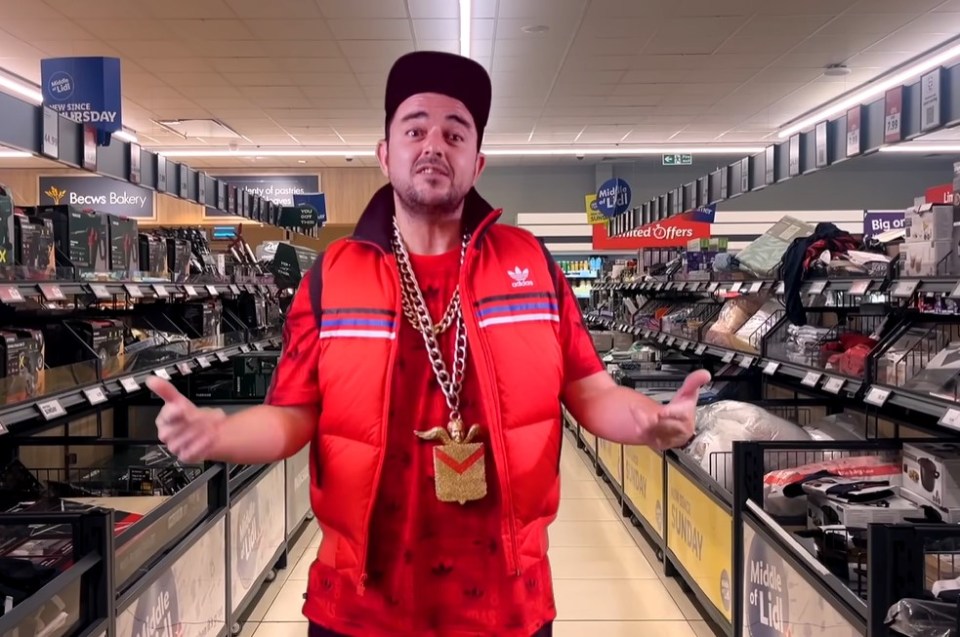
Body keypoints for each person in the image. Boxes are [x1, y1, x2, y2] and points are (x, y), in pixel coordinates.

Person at [147, 50, 710, 637]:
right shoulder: (333, 275)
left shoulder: (531, 265)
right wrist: (220, 434)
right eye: (414, 128)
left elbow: (591, 391)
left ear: (478, 159)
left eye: (454, 132)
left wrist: (646, 420)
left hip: (507, 604)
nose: (433, 145)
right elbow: (293, 417)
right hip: (359, 605)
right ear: (386, 153)